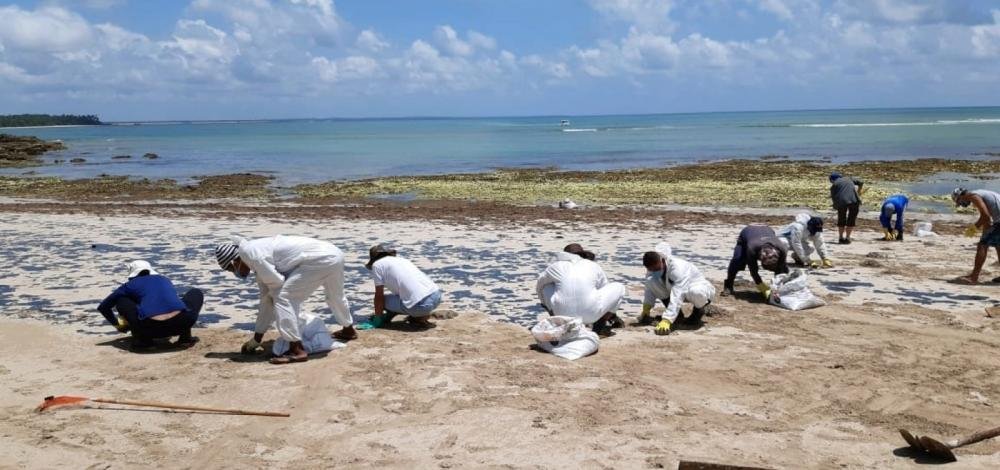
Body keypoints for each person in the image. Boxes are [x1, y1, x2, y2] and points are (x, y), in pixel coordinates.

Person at [215, 235, 354, 364]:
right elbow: (265, 299)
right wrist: (257, 338)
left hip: (319, 259)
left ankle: (296, 350)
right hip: (334, 254)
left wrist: (258, 337)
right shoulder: (254, 252)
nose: (235, 273)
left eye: (231, 269)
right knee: (335, 294)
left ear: (235, 260)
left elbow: (276, 288)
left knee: (283, 298)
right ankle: (348, 330)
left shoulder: (253, 256)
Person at [96, 260, 202, 350]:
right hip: (182, 323)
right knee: (195, 293)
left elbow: (103, 307)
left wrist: (120, 326)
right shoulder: (164, 279)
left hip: (150, 329)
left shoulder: (129, 285)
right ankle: (185, 338)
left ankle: (143, 341)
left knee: (121, 300)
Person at [536, 243, 625, 336]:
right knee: (619, 287)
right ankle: (600, 325)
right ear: (583, 255)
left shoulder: (556, 266)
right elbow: (604, 288)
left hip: (562, 315)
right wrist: (612, 314)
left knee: (546, 286)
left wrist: (547, 306)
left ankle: (557, 321)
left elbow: (539, 286)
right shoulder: (593, 265)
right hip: (591, 315)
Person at [639, 242, 716, 336]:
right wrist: (646, 308)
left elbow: (677, 295)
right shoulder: (652, 268)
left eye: (656, 268)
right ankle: (678, 316)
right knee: (651, 281)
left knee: (696, 292)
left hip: (697, 290)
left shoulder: (677, 268)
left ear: (662, 261)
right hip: (676, 290)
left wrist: (667, 320)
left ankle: (697, 313)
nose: (654, 271)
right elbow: (649, 288)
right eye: (651, 270)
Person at [363, 244, 443, 329]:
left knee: (383, 300)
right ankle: (419, 316)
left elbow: (379, 295)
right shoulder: (402, 260)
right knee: (404, 296)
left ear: (374, 258)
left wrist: (377, 319)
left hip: (421, 305)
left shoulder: (377, 265)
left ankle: (385, 318)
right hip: (436, 296)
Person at [723, 225, 790, 300]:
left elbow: (784, 269)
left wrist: (779, 288)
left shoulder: (782, 249)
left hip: (767, 230)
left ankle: (782, 289)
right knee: (737, 260)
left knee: (782, 268)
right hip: (747, 232)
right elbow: (753, 271)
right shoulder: (752, 249)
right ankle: (728, 285)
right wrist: (763, 289)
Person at [953, 188, 1000, 284]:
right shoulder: (981, 193)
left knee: (982, 245)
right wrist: (984, 232)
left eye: (960, 202)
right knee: (998, 246)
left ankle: (974, 277)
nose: (962, 205)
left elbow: (985, 216)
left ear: (961, 196)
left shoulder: (973, 196)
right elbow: (987, 219)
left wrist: (973, 229)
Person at [829, 172, 865, 244]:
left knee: (841, 219)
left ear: (833, 180)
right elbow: (861, 182)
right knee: (851, 219)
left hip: (841, 202)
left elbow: (834, 198)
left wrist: (835, 207)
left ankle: (841, 237)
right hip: (854, 201)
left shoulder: (834, 186)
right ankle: (848, 237)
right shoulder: (849, 179)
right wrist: (859, 191)